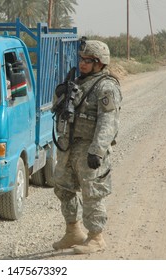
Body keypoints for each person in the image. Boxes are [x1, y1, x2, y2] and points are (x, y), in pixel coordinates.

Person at [50, 40, 122, 254]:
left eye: (88, 60)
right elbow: (60, 110)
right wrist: (60, 94)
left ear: (100, 63)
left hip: (89, 149)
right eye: (82, 59)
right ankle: (73, 231)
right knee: (63, 188)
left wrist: (97, 150)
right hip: (69, 146)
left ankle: (96, 237)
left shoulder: (106, 86)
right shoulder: (78, 82)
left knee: (92, 193)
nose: (82, 63)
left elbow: (108, 121)